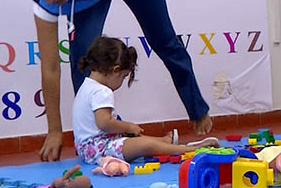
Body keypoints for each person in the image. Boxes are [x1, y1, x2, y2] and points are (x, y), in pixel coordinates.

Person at [22, 0, 212, 162]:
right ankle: (101, 138)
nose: (51, 1)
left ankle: (198, 110)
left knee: (163, 40)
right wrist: (55, 131)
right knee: (85, 64)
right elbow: (50, 68)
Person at [72, 36, 218, 165]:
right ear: (115, 70)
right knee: (144, 145)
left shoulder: (86, 85)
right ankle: (188, 149)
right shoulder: (102, 91)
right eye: (123, 77)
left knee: (137, 139)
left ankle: (163, 141)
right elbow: (104, 123)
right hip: (99, 149)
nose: (121, 82)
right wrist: (128, 127)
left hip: (87, 148)